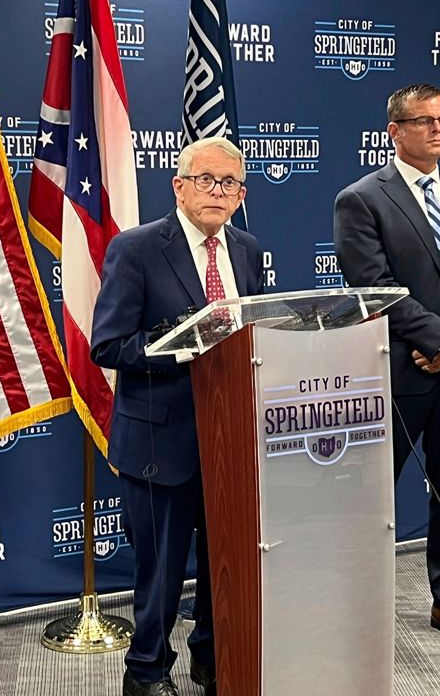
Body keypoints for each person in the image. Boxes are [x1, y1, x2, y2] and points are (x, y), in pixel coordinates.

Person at [334, 84, 440, 649]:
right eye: (423, 120)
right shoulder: (361, 198)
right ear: (395, 130)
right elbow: (373, 287)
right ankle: (356, 607)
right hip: (397, 373)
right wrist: (438, 337)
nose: (437, 129)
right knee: (373, 497)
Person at [91, 136, 264, 696]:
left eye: (231, 183)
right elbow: (109, 345)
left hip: (233, 439)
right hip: (159, 444)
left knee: (226, 566)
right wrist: (187, 344)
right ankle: (145, 673)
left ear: (240, 195)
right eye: (207, 180)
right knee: (160, 577)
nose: (219, 192)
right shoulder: (136, 248)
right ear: (179, 186)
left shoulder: (246, 249)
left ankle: (213, 659)